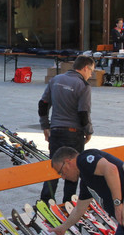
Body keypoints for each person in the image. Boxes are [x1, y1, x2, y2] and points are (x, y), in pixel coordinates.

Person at [38, 55, 94, 204]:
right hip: (74, 134)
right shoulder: (83, 86)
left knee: (54, 166)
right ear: (85, 68)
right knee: (73, 170)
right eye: (91, 71)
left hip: (56, 132)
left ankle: (45, 201)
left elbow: (43, 104)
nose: (90, 75)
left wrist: (45, 126)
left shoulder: (55, 80)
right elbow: (83, 113)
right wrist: (88, 131)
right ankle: (68, 203)